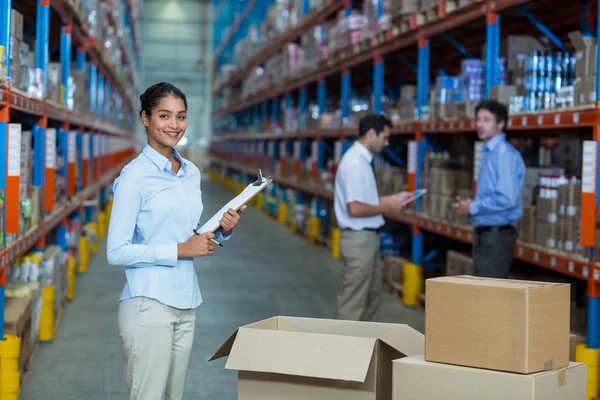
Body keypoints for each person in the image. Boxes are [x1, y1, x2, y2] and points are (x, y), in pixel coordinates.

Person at [106, 82, 245, 400]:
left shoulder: (191, 172)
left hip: (186, 301)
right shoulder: (134, 178)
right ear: (145, 118)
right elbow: (117, 251)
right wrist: (182, 250)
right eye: (164, 116)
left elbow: (188, 232)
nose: (174, 125)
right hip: (148, 305)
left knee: (174, 396)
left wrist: (222, 229)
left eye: (181, 117)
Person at [334, 114, 412, 321]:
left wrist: (394, 198)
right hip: (359, 241)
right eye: (385, 137)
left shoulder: (362, 161)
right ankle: (345, 349)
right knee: (353, 302)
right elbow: (355, 209)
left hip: (367, 240)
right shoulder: (354, 164)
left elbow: (365, 200)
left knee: (371, 298)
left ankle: (365, 347)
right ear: (371, 134)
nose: (386, 143)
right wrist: (389, 205)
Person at [453, 100, 525, 279]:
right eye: (478, 119)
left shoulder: (503, 154)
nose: (479, 124)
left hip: (497, 236)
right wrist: (472, 205)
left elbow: (506, 198)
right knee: (485, 292)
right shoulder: (491, 152)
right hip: (488, 233)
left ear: (500, 124)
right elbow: (492, 193)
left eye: (486, 120)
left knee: (490, 295)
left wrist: (473, 207)